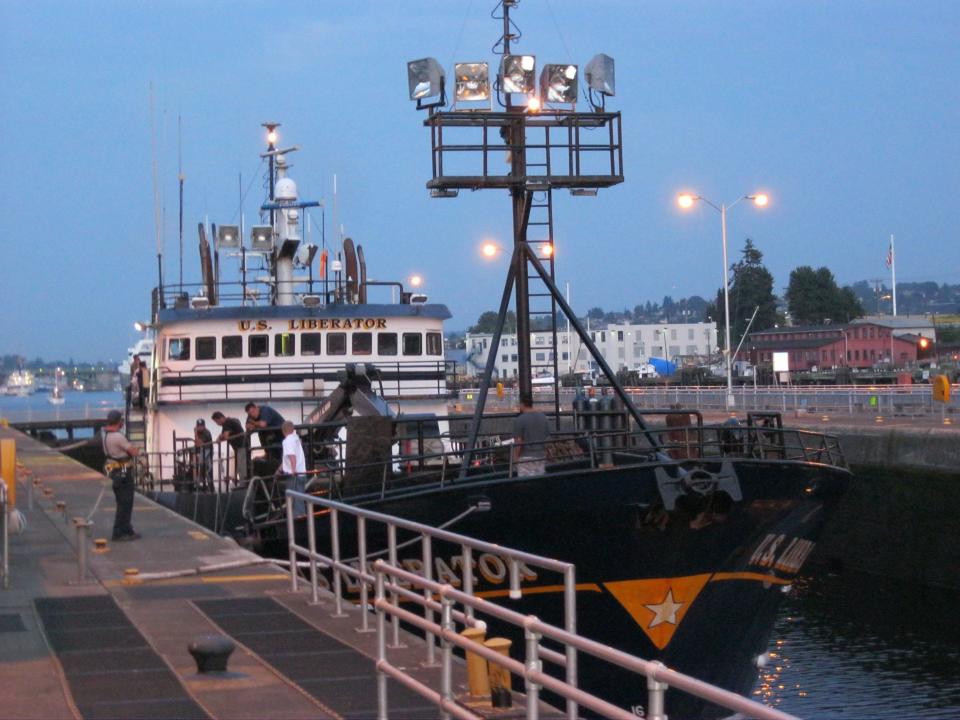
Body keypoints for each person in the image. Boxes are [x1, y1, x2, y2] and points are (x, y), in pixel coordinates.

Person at [101, 409, 140, 541]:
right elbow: (133, 452)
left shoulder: (106, 436)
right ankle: (119, 532)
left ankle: (127, 529)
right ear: (118, 422)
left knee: (123, 501)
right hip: (122, 469)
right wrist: (135, 449)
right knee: (125, 501)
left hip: (114, 470)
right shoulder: (117, 437)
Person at [512, 393, 550, 477]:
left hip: (525, 458)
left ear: (522, 404)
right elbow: (547, 439)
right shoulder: (543, 417)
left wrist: (515, 458)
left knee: (525, 484)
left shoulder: (519, 420)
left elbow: (518, 441)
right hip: (541, 455)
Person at [276, 420, 307, 516]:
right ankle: (300, 517)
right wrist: (279, 469)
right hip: (302, 473)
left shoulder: (287, 441)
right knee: (299, 498)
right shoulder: (296, 439)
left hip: (294, 475)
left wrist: (293, 471)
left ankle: (297, 520)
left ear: (283, 430)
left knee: (294, 500)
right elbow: (288, 459)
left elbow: (292, 457)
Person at [212, 411, 247, 482]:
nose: (217, 424)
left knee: (242, 467)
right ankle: (242, 482)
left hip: (241, 446)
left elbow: (225, 436)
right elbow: (220, 438)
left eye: (216, 422)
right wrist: (221, 436)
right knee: (241, 466)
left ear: (219, 418)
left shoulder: (227, 423)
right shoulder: (228, 423)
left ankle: (243, 484)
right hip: (240, 447)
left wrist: (221, 436)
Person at [194, 418, 213, 490]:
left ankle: (210, 486)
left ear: (204, 426)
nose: (199, 427)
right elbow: (197, 443)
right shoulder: (198, 432)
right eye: (198, 426)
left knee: (207, 468)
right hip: (202, 450)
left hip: (207, 450)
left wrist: (195, 432)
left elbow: (198, 443)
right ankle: (201, 483)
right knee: (201, 466)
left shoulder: (206, 432)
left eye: (201, 426)